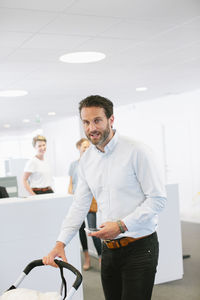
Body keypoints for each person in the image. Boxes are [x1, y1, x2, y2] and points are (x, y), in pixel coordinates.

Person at [43, 95, 167, 300]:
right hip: (108, 250)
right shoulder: (87, 160)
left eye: (97, 120)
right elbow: (80, 204)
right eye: (86, 122)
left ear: (111, 120)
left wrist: (121, 225)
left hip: (140, 248)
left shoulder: (137, 151)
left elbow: (158, 199)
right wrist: (60, 243)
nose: (91, 127)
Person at [68, 138, 102, 270]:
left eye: (88, 146)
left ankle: (101, 258)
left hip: (90, 201)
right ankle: (87, 258)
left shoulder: (94, 163)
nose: (86, 148)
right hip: (77, 201)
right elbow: (71, 184)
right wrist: (71, 194)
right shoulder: (73, 165)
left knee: (93, 230)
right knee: (81, 231)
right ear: (79, 147)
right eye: (84, 146)